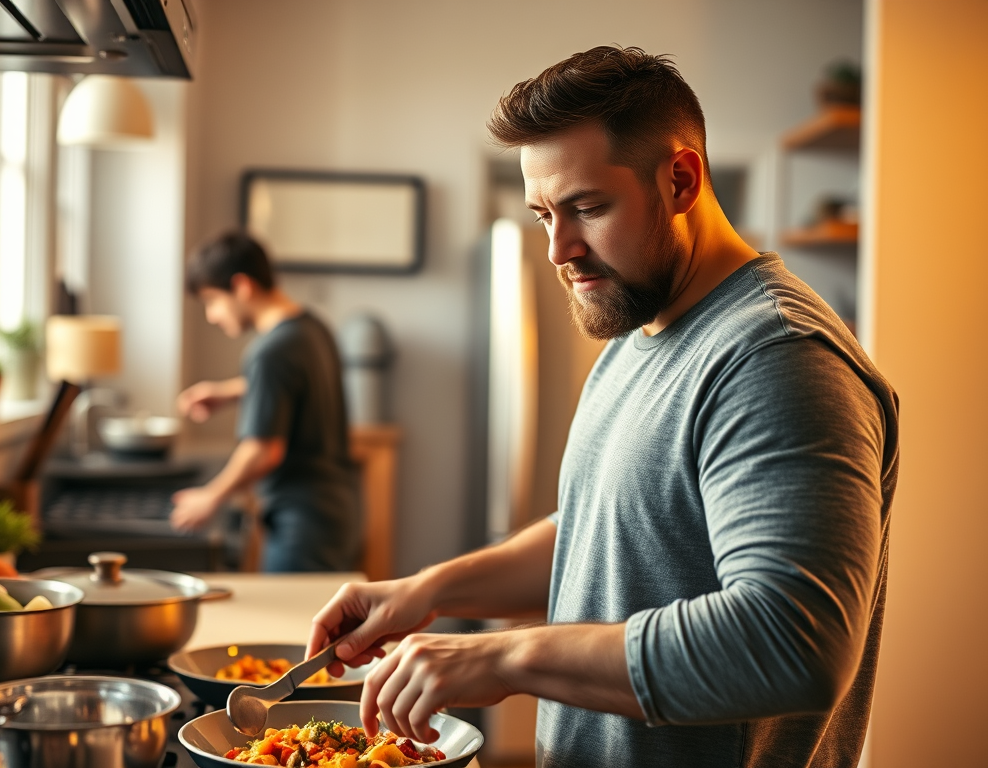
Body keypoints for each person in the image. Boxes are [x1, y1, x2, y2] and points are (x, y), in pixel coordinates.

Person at [306, 46, 899, 768]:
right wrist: (429, 590)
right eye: (541, 214)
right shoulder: (640, 324)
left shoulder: (777, 359)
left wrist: (506, 657)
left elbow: (792, 642)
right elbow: (614, 528)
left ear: (681, 179)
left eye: (587, 207)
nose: (560, 248)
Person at [170, 232, 359, 573]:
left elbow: (263, 450)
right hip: (335, 511)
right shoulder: (311, 328)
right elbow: (295, 386)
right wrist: (230, 392)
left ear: (242, 287)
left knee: (295, 625)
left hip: (302, 526)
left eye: (212, 301)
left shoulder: (269, 352)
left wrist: (210, 496)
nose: (211, 316)